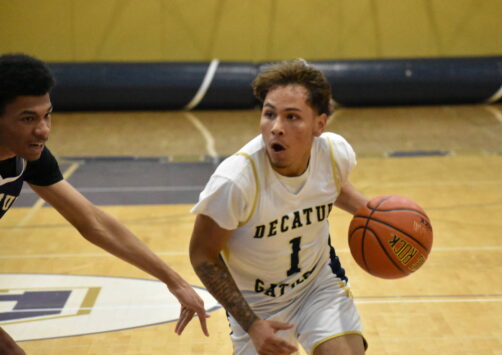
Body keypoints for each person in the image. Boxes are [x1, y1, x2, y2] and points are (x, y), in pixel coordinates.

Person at [0, 53, 208, 354]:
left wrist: (173, 281)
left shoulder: (27, 157)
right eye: (28, 119)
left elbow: (92, 221)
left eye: (47, 115)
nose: (43, 130)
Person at [190, 59, 368, 355]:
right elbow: (201, 254)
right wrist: (252, 324)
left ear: (319, 124)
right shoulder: (235, 181)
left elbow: (329, 187)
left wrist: (377, 215)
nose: (276, 128)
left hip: (316, 286)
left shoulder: (335, 154)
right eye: (269, 114)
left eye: (292, 117)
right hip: (256, 305)